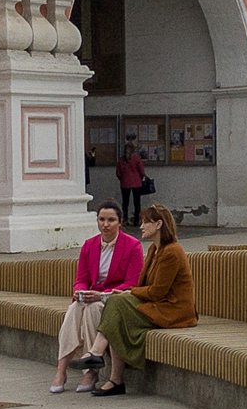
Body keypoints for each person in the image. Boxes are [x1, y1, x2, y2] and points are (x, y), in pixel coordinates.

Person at [88, 204, 193, 396]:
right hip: (157, 304)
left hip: (173, 311)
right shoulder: (154, 249)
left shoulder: (172, 251)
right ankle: (113, 377)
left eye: (146, 222)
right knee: (115, 307)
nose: (141, 226)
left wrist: (130, 293)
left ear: (159, 224)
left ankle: (99, 357)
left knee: (116, 305)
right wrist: (129, 293)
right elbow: (145, 286)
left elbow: (157, 293)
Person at [53, 202, 142, 393]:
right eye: (101, 219)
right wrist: (79, 291)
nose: (105, 224)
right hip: (92, 296)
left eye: (111, 220)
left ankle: (91, 371)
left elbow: (131, 283)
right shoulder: (89, 245)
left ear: (120, 222)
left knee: (93, 309)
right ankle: (61, 369)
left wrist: (102, 295)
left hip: (115, 298)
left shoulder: (133, 246)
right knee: (74, 308)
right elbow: (82, 279)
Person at [116, 142, 147, 224]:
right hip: (136, 183)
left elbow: (118, 173)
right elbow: (141, 171)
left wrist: (123, 179)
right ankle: (137, 220)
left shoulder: (121, 160)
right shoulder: (136, 159)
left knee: (125, 203)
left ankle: (125, 219)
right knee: (137, 203)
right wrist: (139, 178)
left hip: (125, 183)